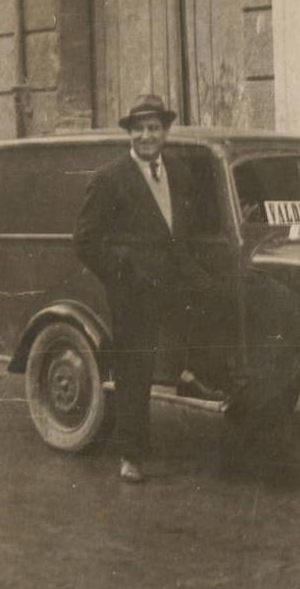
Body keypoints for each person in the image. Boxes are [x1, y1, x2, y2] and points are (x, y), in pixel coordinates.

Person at [73, 93, 226, 483]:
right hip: (133, 292)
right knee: (135, 370)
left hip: (177, 280)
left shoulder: (179, 170)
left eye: (154, 127)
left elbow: (187, 226)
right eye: (139, 128)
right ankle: (132, 455)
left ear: (165, 131)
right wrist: (122, 272)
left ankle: (204, 392)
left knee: (219, 317)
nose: (147, 135)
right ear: (129, 133)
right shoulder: (110, 179)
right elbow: (86, 241)